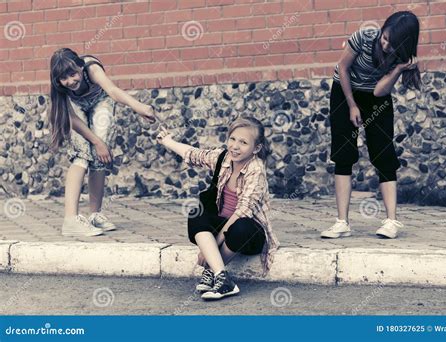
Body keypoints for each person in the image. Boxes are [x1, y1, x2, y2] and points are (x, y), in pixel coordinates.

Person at [322, 11, 421, 239]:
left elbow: (379, 92)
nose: (385, 45)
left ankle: (391, 221)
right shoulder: (365, 37)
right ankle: (342, 223)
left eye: (392, 43)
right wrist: (352, 105)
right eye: (384, 38)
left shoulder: (401, 57)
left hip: (376, 98)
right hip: (344, 92)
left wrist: (397, 69)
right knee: (343, 152)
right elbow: (343, 68)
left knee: (383, 153)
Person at [157, 117, 279, 300]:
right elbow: (194, 154)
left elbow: (243, 211)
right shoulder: (224, 157)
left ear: (256, 148)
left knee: (241, 228)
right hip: (223, 223)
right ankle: (221, 276)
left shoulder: (256, 169)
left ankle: (211, 270)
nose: (235, 146)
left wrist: (213, 244)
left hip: (249, 233)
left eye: (244, 142)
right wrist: (168, 141)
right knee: (196, 213)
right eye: (233, 139)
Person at [49, 48, 156, 237]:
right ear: (57, 80)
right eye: (63, 78)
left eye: (73, 74)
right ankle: (70, 220)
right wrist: (97, 142)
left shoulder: (92, 68)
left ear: (80, 67)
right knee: (82, 155)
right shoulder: (60, 90)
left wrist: (139, 107)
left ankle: (95, 215)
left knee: (99, 159)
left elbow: (113, 91)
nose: (70, 81)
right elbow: (73, 120)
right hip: (77, 109)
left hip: (101, 101)